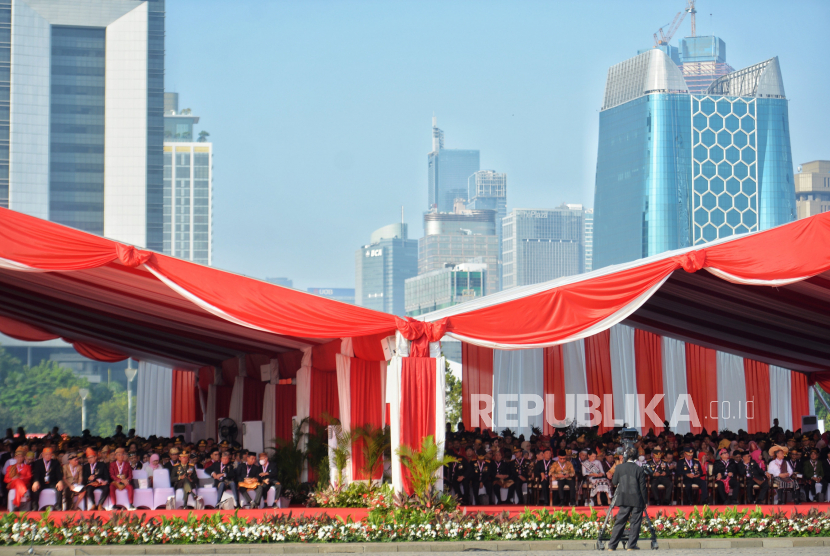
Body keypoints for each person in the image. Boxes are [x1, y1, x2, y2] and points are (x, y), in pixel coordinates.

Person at [607, 447, 649, 551]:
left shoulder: (619, 468)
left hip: (624, 498)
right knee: (635, 523)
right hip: (637, 498)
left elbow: (614, 482)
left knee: (620, 522)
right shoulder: (639, 469)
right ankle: (631, 545)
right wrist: (645, 501)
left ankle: (612, 546)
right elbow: (643, 487)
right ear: (636, 457)